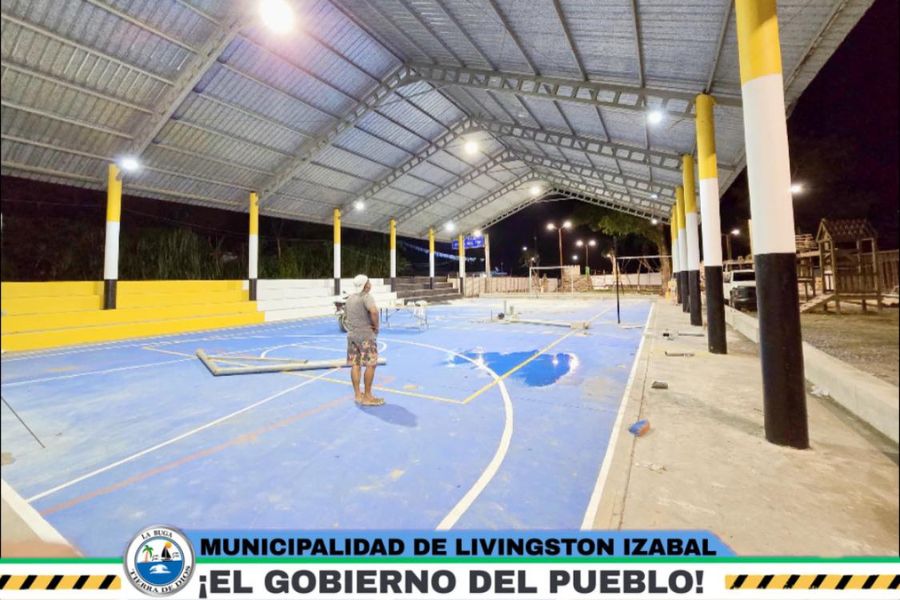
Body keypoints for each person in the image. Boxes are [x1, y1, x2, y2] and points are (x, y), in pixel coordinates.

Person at [345, 274, 383, 406]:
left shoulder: (350, 298)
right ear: (365, 285)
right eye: (369, 282)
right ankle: (367, 396)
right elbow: (374, 311)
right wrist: (376, 327)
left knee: (355, 364)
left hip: (352, 335)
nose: (370, 284)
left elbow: (347, 316)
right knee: (370, 364)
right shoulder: (366, 297)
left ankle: (357, 395)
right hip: (366, 336)